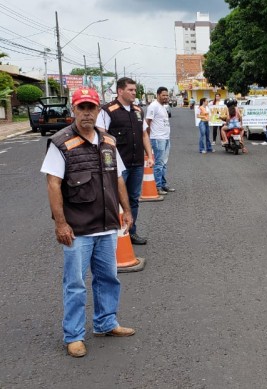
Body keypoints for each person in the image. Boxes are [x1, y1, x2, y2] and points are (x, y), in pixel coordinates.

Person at [40, 87, 136, 358]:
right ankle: (73, 335)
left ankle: (106, 322)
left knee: (108, 278)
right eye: (81, 108)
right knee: (75, 283)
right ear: (74, 110)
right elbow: (53, 184)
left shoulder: (108, 140)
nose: (86, 113)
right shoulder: (61, 143)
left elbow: (117, 177)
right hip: (78, 228)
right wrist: (61, 224)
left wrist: (126, 211)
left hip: (106, 225)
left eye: (91, 108)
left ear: (98, 110)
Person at [96, 77, 154, 246]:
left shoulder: (137, 110)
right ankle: (111, 235)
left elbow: (144, 134)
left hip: (136, 163)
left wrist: (149, 155)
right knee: (114, 200)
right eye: (130, 90)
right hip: (116, 166)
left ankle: (131, 231)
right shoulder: (108, 111)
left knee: (133, 199)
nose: (134, 93)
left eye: (135, 90)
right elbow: (101, 135)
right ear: (120, 91)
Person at [146, 87, 175, 195]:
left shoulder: (163, 107)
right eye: (163, 95)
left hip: (165, 138)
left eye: (167, 95)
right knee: (158, 163)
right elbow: (147, 122)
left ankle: (163, 184)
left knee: (164, 163)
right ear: (158, 95)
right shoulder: (153, 106)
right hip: (157, 138)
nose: (166, 97)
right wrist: (148, 137)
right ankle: (157, 186)